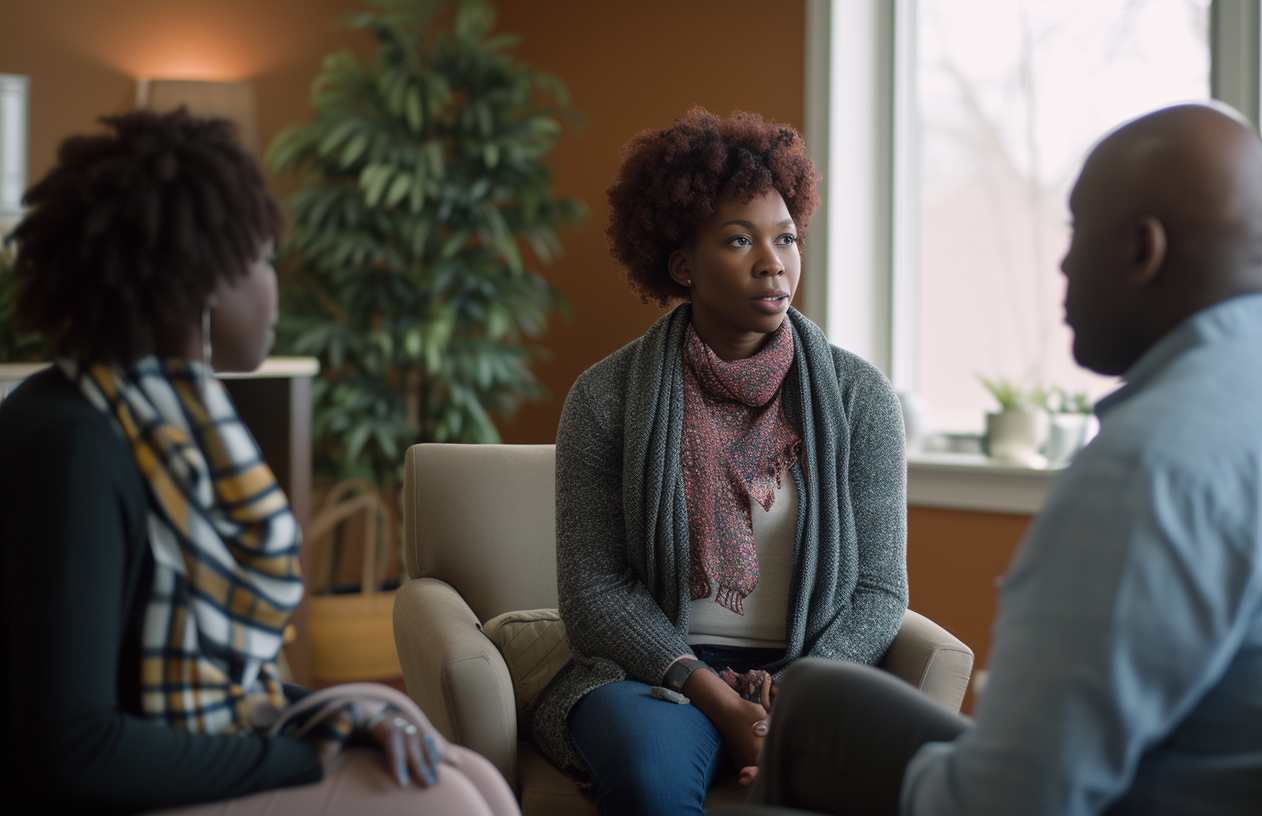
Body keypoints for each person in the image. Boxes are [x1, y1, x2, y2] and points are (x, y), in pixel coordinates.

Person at [734, 104, 1262, 816]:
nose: (1065, 262)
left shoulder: (1156, 467)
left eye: (1078, 232)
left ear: (1144, 249)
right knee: (822, 697)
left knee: (817, 738)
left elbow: (1010, 804)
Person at [0, 109, 517, 816]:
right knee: (445, 799)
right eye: (264, 258)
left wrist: (343, 720)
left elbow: (223, 684)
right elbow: (75, 750)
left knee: (463, 770)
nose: (277, 283)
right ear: (202, 277)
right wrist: (308, 750)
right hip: (89, 793)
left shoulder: (163, 418)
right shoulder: (75, 445)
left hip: (166, 749)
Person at [529, 108, 909, 816]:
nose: (774, 262)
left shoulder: (860, 399)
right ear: (682, 264)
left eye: (787, 238)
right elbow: (594, 593)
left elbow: (880, 591)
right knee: (650, 784)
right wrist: (715, 698)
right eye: (740, 240)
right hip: (652, 674)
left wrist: (792, 693)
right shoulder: (605, 397)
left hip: (813, 673)